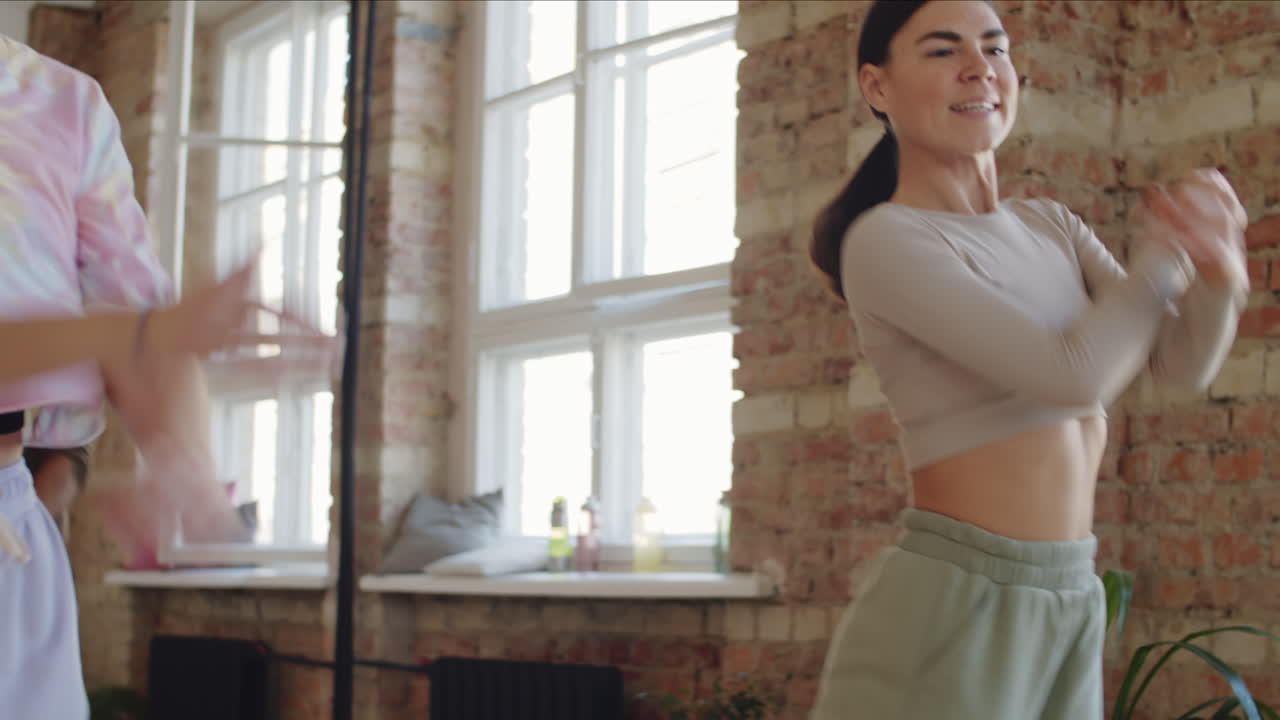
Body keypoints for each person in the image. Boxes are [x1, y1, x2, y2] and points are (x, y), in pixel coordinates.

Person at [807, 2, 1248, 718]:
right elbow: (1073, 375)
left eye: (995, 48)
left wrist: (1221, 270)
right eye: (943, 51)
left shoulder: (1050, 225)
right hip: (956, 601)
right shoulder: (886, 240)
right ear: (877, 87)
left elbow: (1178, 364)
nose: (980, 67)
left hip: (1071, 591)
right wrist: (1167, 256)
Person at [0, 34, 333, 718]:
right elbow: (141, 328)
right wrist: (138, 331)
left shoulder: (66, 102)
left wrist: (191, 486)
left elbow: (145, 319)